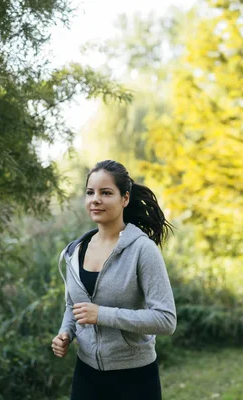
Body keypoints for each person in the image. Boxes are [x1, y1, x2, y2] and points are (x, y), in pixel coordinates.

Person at [51, 160, 177, 400]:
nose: (95, 199)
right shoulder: (75, 252)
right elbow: (73, 306)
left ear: (125, 199)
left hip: (135, 378)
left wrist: (102, 314)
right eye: (90, 192)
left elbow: (166, 319)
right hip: (86, 375)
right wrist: (66, 333)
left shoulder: (142, 250)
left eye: (106, 192)